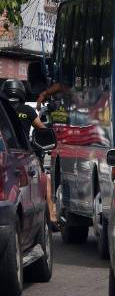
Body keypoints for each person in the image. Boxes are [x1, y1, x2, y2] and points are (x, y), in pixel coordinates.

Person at [1, 79, 57, 227]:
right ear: (21, 92)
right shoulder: (27, 110)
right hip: (24, 152)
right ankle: (52, 215)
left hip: (5, 153)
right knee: (45, 179)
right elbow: (42, 129)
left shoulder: (3, 111)